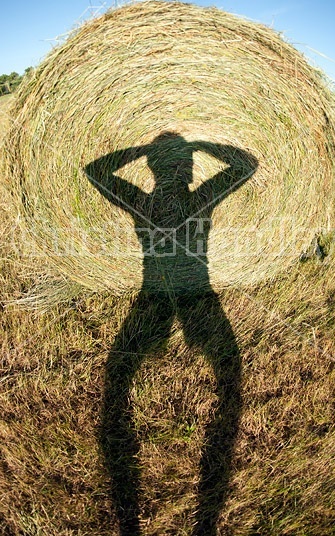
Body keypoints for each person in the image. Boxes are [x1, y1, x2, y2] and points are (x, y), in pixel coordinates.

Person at [85, 132, 258, 535]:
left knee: (119, 374)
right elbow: (247, 164)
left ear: (153, 172)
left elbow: (94, 171)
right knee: (229, 375)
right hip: (200, 294)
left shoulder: (141, 203)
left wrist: (143, 151)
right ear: (189, 171)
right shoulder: (201, 199)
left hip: (154, 297)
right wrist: (202, 144)